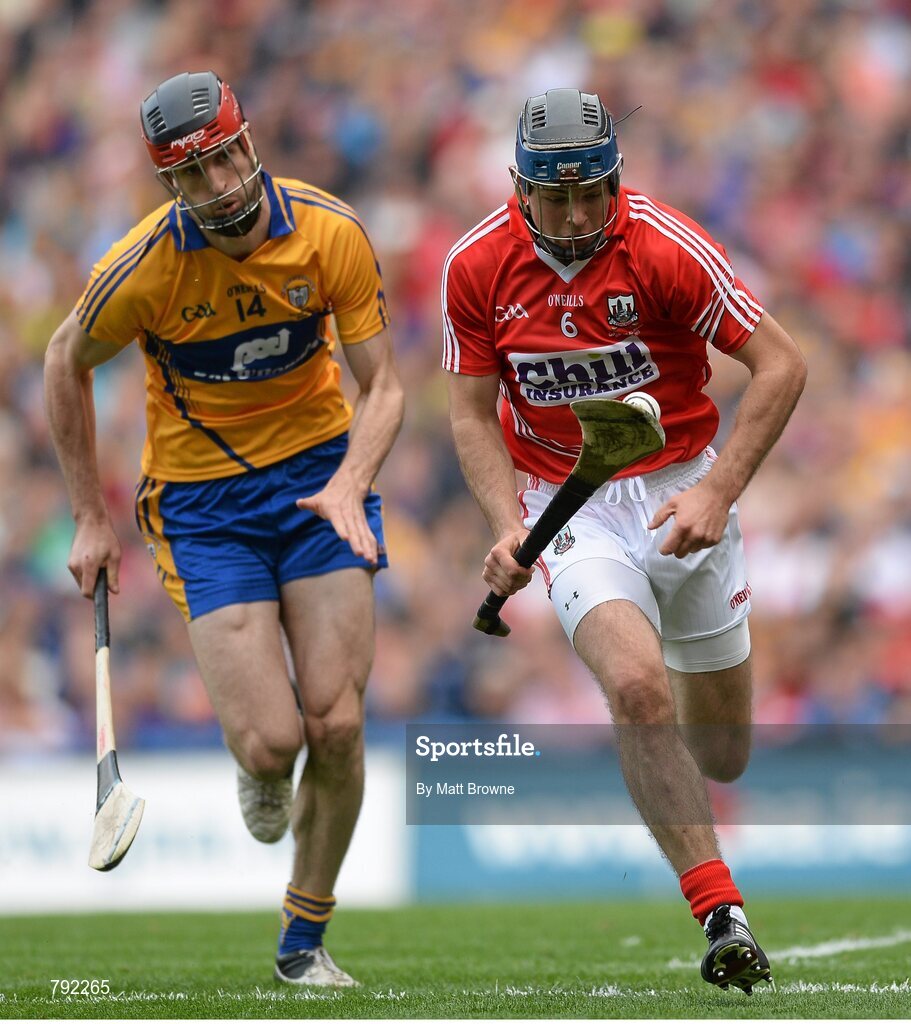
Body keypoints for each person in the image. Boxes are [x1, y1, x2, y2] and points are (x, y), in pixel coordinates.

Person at [442, 88, 806, 993]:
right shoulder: (475, 264)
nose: (573, 216)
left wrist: (719, 491)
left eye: (591, 193)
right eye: (554, 196)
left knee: (723, 753)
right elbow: (467, 412)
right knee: (637, 688)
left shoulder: (665, 246)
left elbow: (783, 364)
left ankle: (683, 747)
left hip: (685, 487)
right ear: (520, 188)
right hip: (573, 503)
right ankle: (720, 913)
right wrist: (505, 523)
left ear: (614, 181)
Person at [44, 71, 404, 987]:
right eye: (193, 173)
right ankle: (258, 763)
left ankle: (303, 939)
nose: (219, 184)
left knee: (337, 720)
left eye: (227, 156)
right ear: (169, 186)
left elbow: (385, 387)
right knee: (272, 744)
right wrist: (89, 514)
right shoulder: (142, 268)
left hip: (321, 478)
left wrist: (351, 482)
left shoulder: (329, 231)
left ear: (251, 142)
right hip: (204, 507)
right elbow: (63, 359)